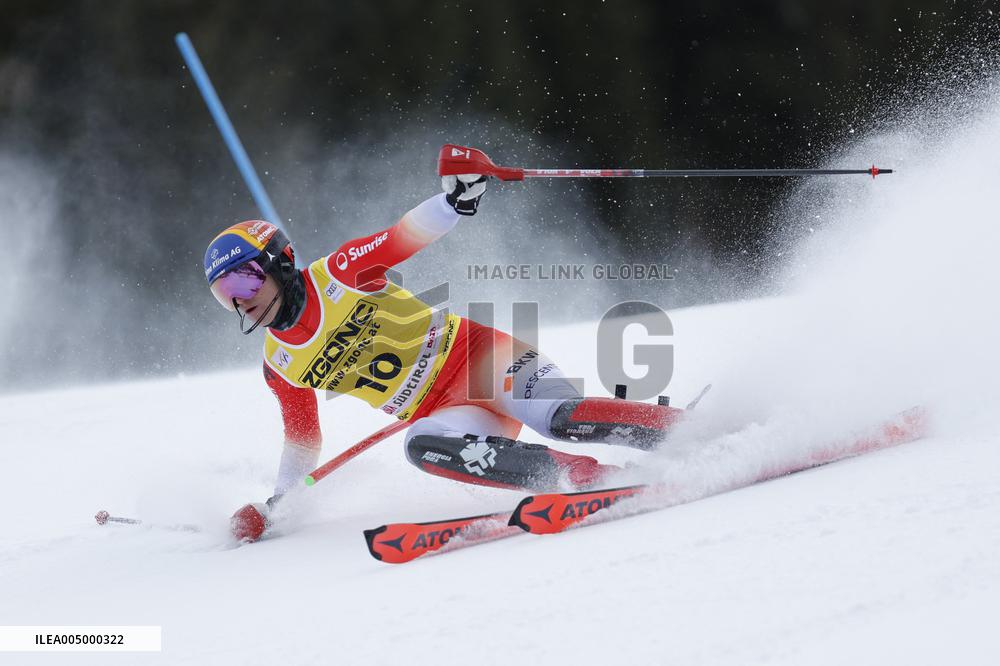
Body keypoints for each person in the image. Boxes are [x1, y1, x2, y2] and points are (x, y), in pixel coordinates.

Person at [204, 173, 683, 541]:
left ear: (280, 263)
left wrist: (452, 202)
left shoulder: (339, 274)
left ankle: (685, 431)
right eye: (226, 294)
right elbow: (303, 440)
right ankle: (583, 478)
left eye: (245, 280)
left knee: (560, 417)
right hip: (451, 413)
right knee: (423, 445)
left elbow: (402, 237)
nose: (241, 300)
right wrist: (279, 507)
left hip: (484, 364)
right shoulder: (280, 364)